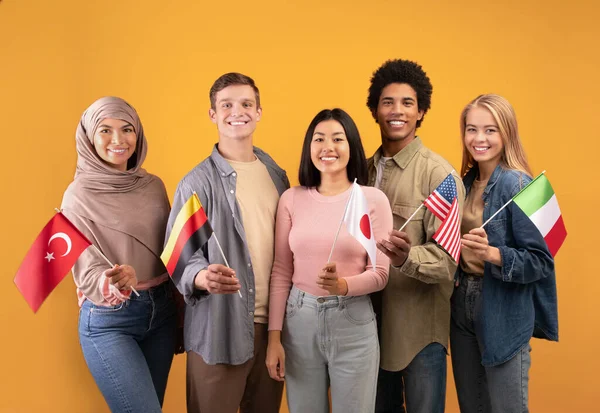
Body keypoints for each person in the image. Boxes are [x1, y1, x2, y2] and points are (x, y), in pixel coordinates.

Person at [166, 72, 288, 413]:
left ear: (259, 111)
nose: (238, 112)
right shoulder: (195, 183)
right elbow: (179, 258)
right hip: (219, 329)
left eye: (247, 104)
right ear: (213, 114)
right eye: (227, 105)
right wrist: (202, 277)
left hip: (272, 329)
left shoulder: (275, 173)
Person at [266, 108, 393, 413]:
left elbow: (380, 273)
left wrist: (343, 285)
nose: (328, 147)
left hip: (353, 320)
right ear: (309, 147)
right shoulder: (292, 199)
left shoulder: (372, 199)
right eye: (319, 139)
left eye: (338, 139)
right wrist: (274, 338)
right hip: (299, 321)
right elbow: (282, 271)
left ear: (352, 146)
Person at [61, 96, 178, 412]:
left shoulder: (153, 185)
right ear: (89, 137)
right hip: (110, 319)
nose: (118, 140)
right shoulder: (78, 195)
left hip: (162, 315)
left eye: (127, 129)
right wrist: (114, 280)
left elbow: (169, 248)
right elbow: (84, 267)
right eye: (105, 130)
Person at [366, 59, 465, 413]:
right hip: (366, 331)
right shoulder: (360, 170)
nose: (397, 111)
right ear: (375, 110)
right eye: (388, 102)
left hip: (419, 334)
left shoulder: (441, 176)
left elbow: (448, 263)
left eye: (407, 103)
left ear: (421, 111)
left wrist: (406, 257)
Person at [450, 93, 558, 413]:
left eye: (490, 130)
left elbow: (542, 261)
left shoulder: (521, 184)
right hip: (461, 302)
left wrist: (495, 254)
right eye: (471, 129)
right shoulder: (464, 182)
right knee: (473, 406)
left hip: (502, 305)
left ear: (506, 132)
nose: (479, 138)